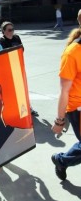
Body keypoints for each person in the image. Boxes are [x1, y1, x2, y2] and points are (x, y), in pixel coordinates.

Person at [51, 10, 81, 181]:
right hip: (78, 108)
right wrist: (59, 121)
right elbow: (64, 91)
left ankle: (61, 160)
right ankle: (61, 160)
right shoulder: (72, 52)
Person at [0, 21, 39, 117]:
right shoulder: (1, 41)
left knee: (23, 89)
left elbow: (21, 49)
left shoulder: (16, 37)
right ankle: (15, 110)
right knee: (12, 91)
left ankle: (29, 108)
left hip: (18, 66)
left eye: (12, 29)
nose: (11, 31)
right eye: (9, 30)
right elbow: (3, 57)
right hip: (8, 70)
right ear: (3, 31)